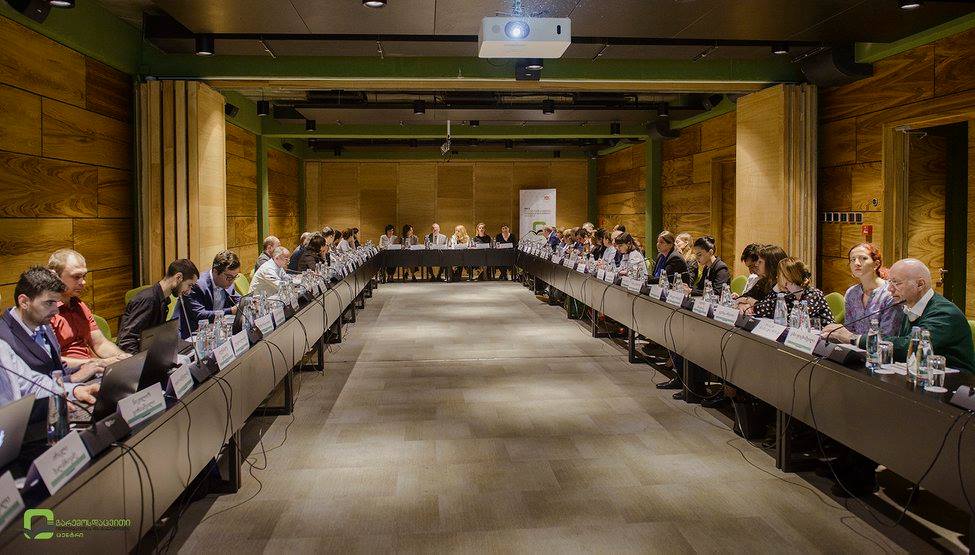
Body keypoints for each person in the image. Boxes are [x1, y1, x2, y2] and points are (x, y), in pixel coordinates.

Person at [823, 258, 974, 372]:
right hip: (919, 373)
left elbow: (909, 347)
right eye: (889, 282)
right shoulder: (908, 305)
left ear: (920, 284)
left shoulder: (944, 314)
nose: (890, 289)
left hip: (953, 385)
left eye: (896, 283)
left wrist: (853, 338)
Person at [0, 267, 103, 383]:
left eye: (56, 302)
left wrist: (87, 368)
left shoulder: (42, 323)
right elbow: (22, 389)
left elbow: (57, 369)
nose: (56, 311)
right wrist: (73, 378)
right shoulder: (3, 339)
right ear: (24, 302)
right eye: (49, 303)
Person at [48, 249, 131, 368]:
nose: (83, 282)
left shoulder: (79, 305)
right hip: (69, 374)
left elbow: (100, 344)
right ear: (54, 277)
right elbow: (50, 360)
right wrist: (99, 363)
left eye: (84, 276)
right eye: (76, 277)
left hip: (92, 367)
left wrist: (124, 358)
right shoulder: (45, 312)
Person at [116, 259, 200, 354]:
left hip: (150, 353)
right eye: (189, 285)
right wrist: (141, 362)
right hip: (133, 358)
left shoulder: (164, 300)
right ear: (178, 277)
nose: (188, 291)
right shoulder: (148, 299)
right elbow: (127, 341)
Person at [173, 251, 242, 338]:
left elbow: (236, 299)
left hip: (212, 333)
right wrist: (231, 311)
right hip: (189, 336)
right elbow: (200, 315)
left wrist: (244, 303)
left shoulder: (228, 283)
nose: (232, 281)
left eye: (235, 277)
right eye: (229, 277)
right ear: (215, 271)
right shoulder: (196, 285)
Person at [840, 243, 902, 337]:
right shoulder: (851, 293)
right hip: (852, 344)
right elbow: (848, 330)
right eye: (853, 259)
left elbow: (887, 335)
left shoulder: (890, 293)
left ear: (876, 264)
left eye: (863, 258)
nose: (856, 263)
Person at [752, 257, 834, 325]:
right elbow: (764, 309)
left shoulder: (814, 295)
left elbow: (794, 320)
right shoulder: (788, 294)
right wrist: (748, 304)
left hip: (823, 337)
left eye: (779, 274)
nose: (777, 277)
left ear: (788, 276)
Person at [736, 245, 788, 312]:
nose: (757, 265)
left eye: (760, 262)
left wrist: (748, 301)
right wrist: (742, 304)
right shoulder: (763, 282)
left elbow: (767, 309)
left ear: (770, 264)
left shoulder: (785, 284)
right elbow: (742, 297)